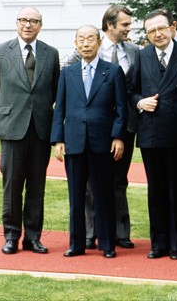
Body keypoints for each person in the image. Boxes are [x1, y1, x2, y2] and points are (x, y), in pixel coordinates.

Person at [0, 6, 60, 255]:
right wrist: (4, 117)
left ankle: (33, 238)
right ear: (16, 23)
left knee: (37, 187)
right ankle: (11, 237)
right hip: (12, 131)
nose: (28, 25)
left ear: (40, 25)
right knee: (12, 187)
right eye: (23, 20)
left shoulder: (51, 53)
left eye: (34, 21)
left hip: (40, 130)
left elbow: (56, 91)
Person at [51, 25, 127, 259]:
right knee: (76, 195)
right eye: (81, 39)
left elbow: (121, 109)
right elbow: (59, 109)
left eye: (90, 39)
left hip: (103, 142)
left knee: (103, 194)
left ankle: (107, 244)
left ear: (99, 42)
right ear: (75, 43)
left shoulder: (113, 71)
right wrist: (57, 140)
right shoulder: (68, 73)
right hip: (74, 142)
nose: (85, 43)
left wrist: (118, 136)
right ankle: (76, 244)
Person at [129, 9, 177, 260]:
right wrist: (140, 102)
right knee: (156, 190)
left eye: (161, 28)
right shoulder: (143, 55)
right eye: (151, 31)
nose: (157, 34)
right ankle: (158, 244)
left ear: (172, 27)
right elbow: (131, 90)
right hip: (150, 133)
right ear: (146, 35)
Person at [81, 5, 139, 251]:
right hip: (94, 126)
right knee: (90, 181)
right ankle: (89, 232)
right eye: (125, 24)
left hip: (125, 126)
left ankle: (120, 232)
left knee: (118, 179)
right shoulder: (88, 50)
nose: (129, 28)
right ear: (110, 26)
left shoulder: (136, 52)